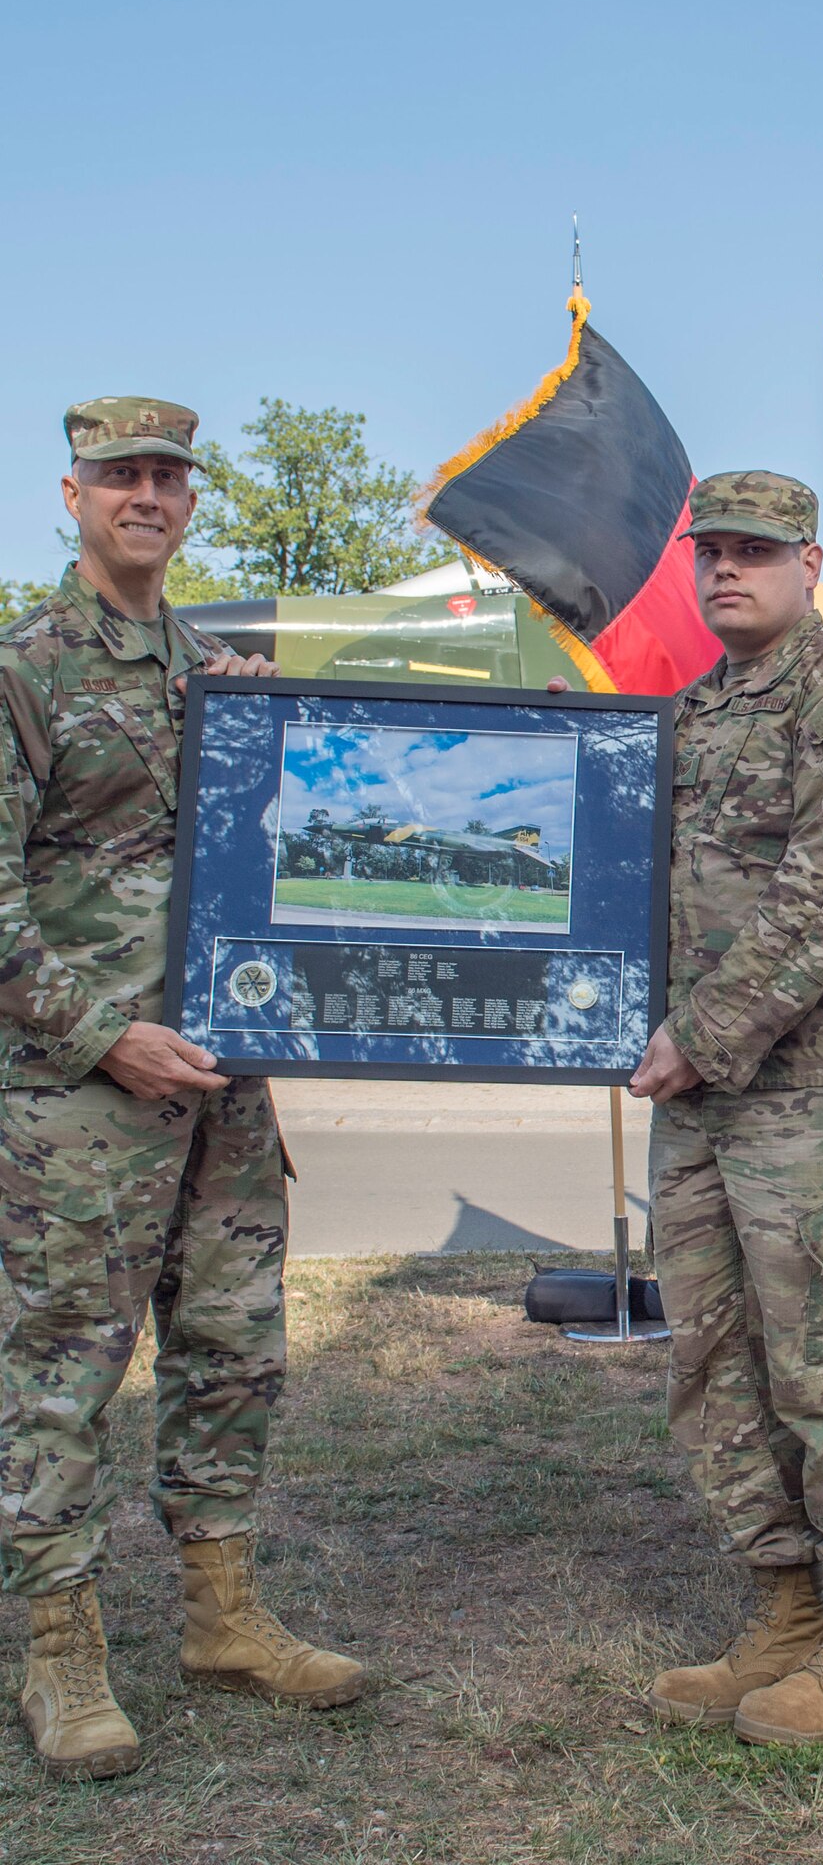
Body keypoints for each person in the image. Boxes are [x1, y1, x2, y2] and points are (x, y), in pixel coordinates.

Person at [0, 398, 365, 1783]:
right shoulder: (23, 669)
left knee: (230, 1350)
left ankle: (221, 1616)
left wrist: (553, 752)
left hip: (223, 1082)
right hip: (77, 1100)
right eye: (119, 477)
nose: (145, 495)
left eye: (166, 476)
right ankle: (61, 1652)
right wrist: (105, 1036)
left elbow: (333, 819)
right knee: (60, 1374)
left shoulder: (223, 675)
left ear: (190, 498)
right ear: (73, 494)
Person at [630, 470, 823, 1746]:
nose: (725, 572)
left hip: (819, 1097)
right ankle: (777, 1606)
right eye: (709, 551)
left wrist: (696, 1037)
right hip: (701, 1101)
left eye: (753, 552)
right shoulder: (694, 713)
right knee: (715, 1360)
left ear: (806, 561)